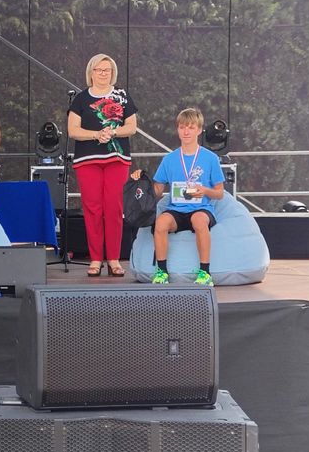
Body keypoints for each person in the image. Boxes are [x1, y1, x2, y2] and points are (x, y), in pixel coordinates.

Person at [67, 53, 138, 277]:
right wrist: (96, 134)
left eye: (107, 70)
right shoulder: (80, 99)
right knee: (93, 209)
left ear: (112, 73)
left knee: (114, 208)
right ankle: (96, 259)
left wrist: (113, 132)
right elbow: (73, 131)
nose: (103, 74)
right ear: (91, 72)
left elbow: (131, 127)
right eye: (98, 70)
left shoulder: (122, 96)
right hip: (87, 161)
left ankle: (114, 259)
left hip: (117, 159)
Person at [151, 107, 225, 286]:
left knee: (199, 220)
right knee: (161, 223)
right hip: (176, 210)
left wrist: (204, 191)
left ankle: (205, 273)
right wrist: (140, 180)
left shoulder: (210, 158)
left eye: (191, 127)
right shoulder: (169, 159)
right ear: (177, 129)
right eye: (182, 127)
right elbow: (157, 190)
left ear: (199, 130)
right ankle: (161, 272)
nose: (186, 132)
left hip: (201, 209)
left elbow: (220, 193)